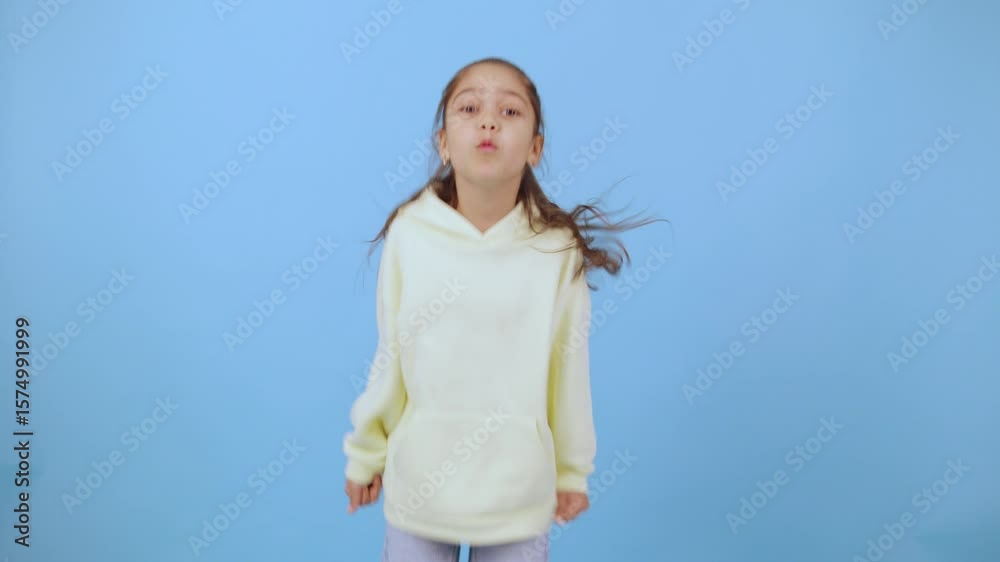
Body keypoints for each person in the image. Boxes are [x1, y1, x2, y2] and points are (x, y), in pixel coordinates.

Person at [343, 56, 665, 561]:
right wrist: (366, 454)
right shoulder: (410, 234)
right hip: (420, 487)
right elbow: (392, 356)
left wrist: (571, 472)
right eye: (469, 108)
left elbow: (568, 369)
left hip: (518, 493)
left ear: (535, 147)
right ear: (443, 142)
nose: (489, 122)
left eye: (510, 112)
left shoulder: (555, 250)